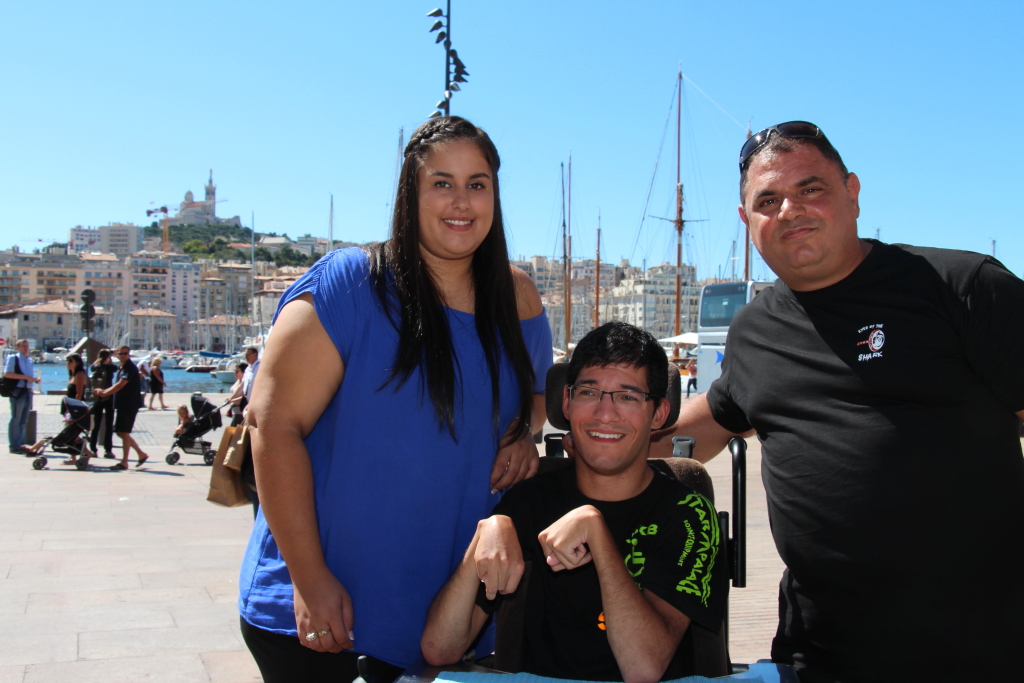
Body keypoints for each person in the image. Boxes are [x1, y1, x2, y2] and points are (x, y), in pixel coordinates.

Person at [652, 121, 1024, 682]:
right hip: (822, 655)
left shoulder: (962, 287)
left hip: (985, 651)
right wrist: (586, 443)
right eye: (768, 200)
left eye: (811, 189)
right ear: (746, 220)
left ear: (852, 191)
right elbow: (711, 420)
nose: (790, 211)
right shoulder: (755, 331)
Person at [238, 116, 553, 683]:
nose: (461, 201)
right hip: (326, 614)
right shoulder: (351, 284)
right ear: (410, 193)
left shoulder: (519, 297)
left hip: (448, 618)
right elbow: (270, 425)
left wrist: (523, 433)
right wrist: (310, 581)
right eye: (442, 182)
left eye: (477, 184)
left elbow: (534, 397)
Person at [422, 322, 725, 681]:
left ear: (658, 413)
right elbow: (440, 648)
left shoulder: (689, 515)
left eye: (628, 397)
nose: (605, 413)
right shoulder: (529, 501)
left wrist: (595, 530)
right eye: (588, 392)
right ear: (566, 402)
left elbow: (643, 668)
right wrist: (485, 534)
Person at [94, 346, 149, 470]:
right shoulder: (122, 367)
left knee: (123, 432)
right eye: (121, 353)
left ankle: (125, 462)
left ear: (129, 354)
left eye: (126, 353)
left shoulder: (129, 368)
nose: (124, 355)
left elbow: (120, 385)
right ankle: (140, 454)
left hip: (129, 404)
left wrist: (104, 392)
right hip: (122, 404)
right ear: (117, 354)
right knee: (121, 432)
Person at [5, 339, 40, 454]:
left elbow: (29, 377)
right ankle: (14, 445)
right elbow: (7, 374)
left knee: (24, 420)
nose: (26, 348)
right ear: (17, 348)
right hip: (17, 392)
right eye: (23, 346)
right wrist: (25, 377)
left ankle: (21, 444)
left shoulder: (29, 360)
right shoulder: (13, 358)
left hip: (28, 391)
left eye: (27, 346)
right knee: (16, 419)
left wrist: (34, 380)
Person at [57, 353, 89, 465]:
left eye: (70, 360)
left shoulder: (80, 374)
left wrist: (72, 410)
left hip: (74, 408)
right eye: (67, 360)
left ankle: (85, 451)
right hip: (69, 407)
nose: (68, 362)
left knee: (72, 432)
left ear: (77, 362)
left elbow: (79, 395)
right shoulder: (72, 374)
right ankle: (74, 457)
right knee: (71, 432)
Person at [89, 349, 117, 459]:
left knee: (95, 425)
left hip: (97, 397)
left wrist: (99, 360)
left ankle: (93, 449)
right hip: (108, 396)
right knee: (109, 424)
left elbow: (93, 366)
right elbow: (116, 368)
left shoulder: (94, 367)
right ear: (108, 357)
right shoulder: (110, 368)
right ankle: (108, 450)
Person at [227, 362, 248, 427]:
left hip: (239, 411)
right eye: (235, 371)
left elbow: (244, 397)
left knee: (235, 432)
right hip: (234, 411)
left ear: (243, 372)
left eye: (237, 371)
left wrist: (232, 400)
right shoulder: (238, 381)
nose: (235, 373)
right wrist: (230, 398)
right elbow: (235, 393)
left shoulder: (245, 383)